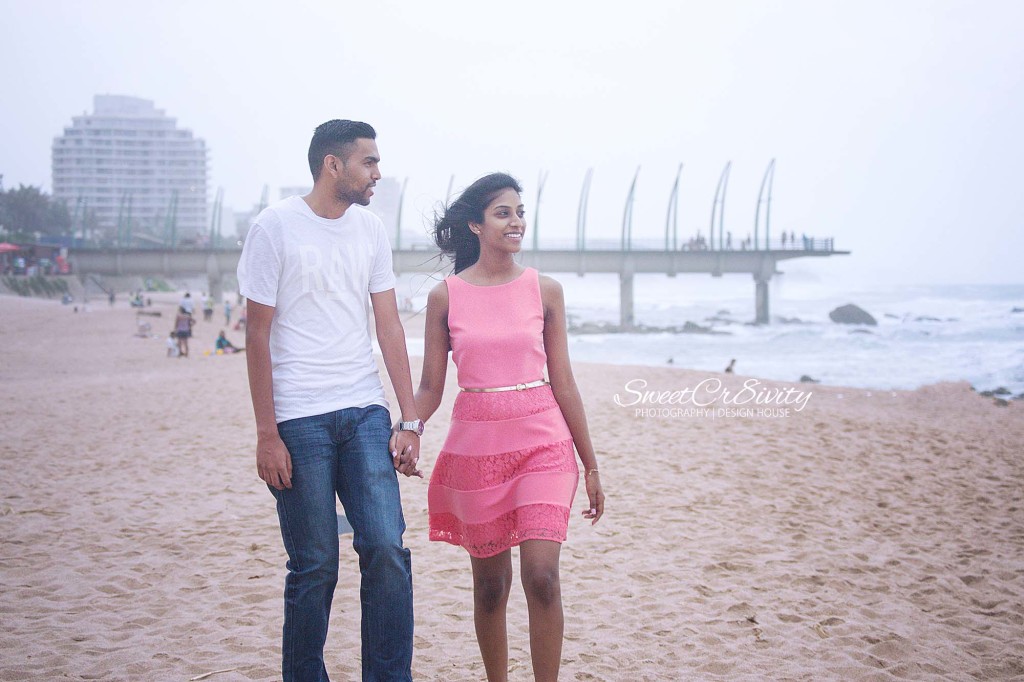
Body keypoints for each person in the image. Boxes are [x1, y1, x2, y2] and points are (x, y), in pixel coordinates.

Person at [238, 119, 421, 682]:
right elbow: (256, 334)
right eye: (369, 162)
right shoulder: (274, 228)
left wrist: (409, 420)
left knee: (387, 548)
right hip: (298, 419)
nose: (378, 172)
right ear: (332, 165)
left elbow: (388, 326)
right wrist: (267, 434)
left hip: (364, 409)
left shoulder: (370, 230)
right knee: (315, 565)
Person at [414, 173, 605, 682]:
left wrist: (590, 464)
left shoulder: (546, 290)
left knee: (541, 577)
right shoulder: (445, 297)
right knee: (490, 588)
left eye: (519, 211)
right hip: (476, 449)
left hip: (544, 444)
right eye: (503, 212)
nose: (516, 221)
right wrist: (409, 427)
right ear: (475, 224)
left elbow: (563, 381)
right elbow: (432, 384)